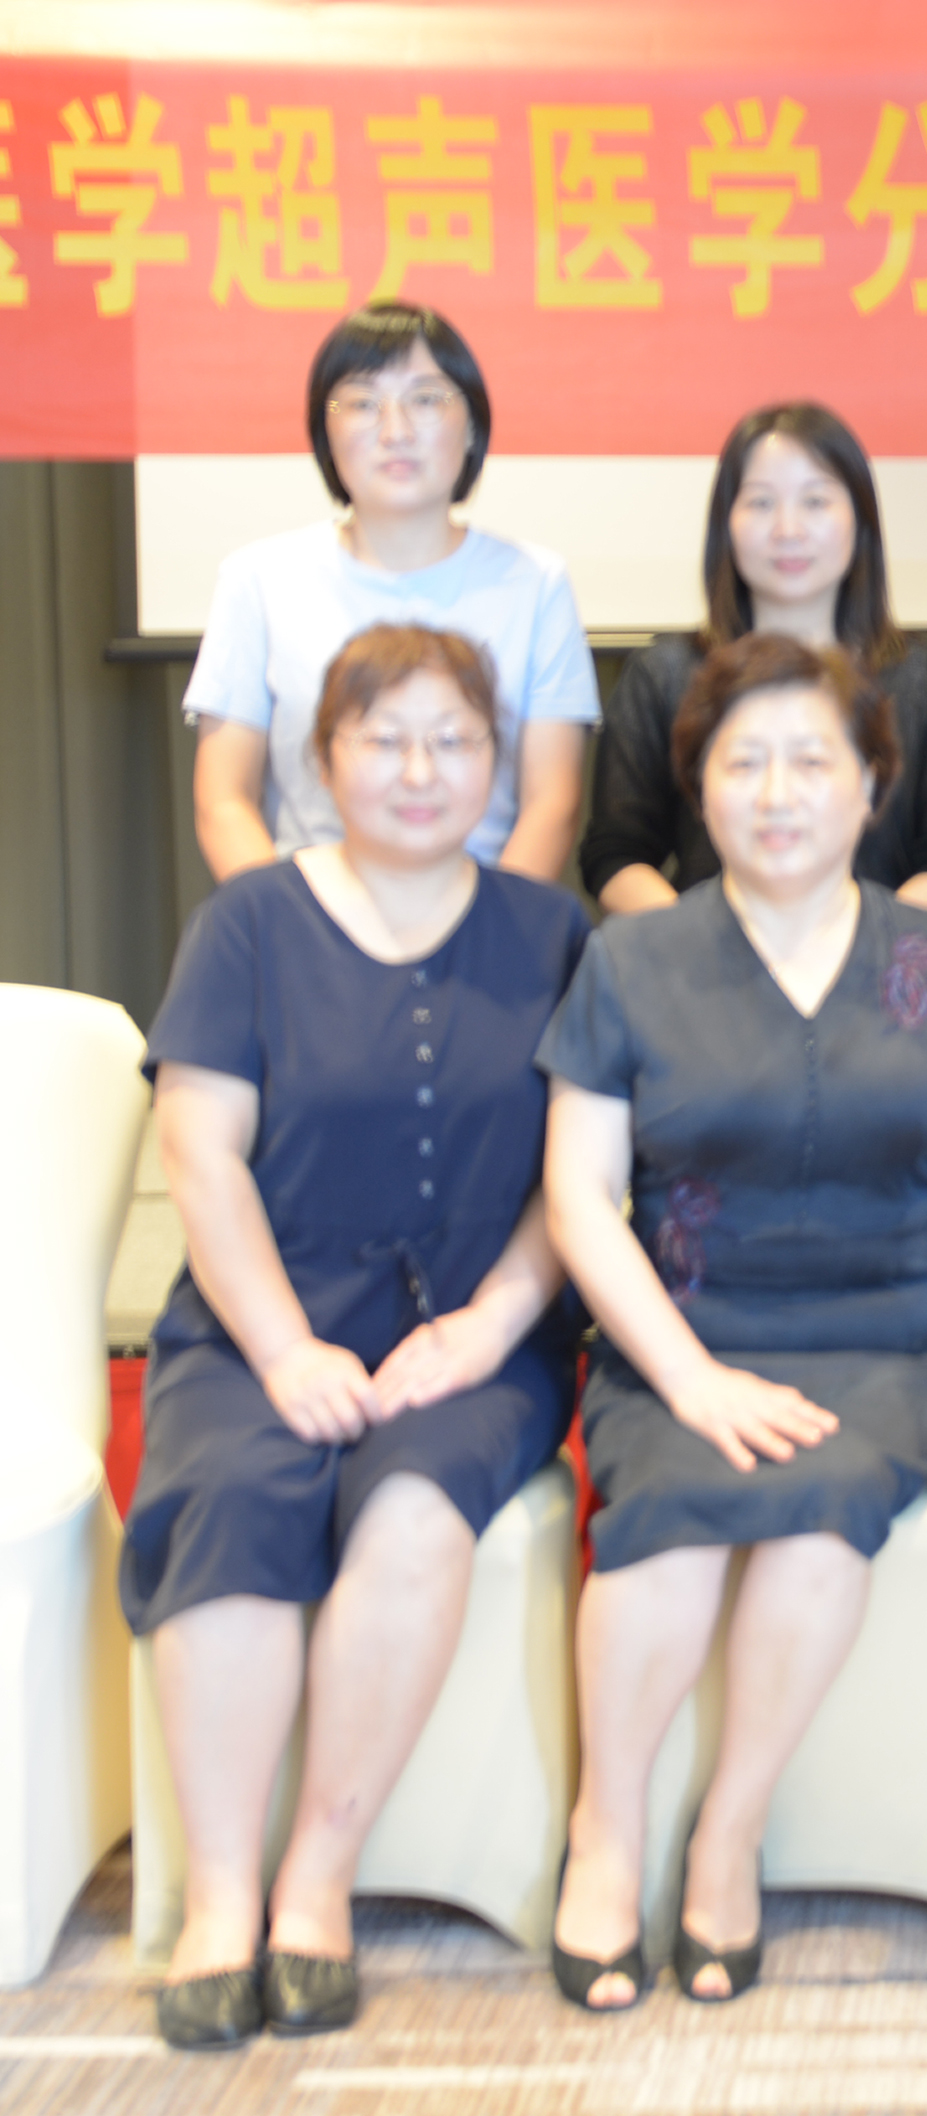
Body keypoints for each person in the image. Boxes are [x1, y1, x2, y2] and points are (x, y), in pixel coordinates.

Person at [540, 632, 927, 2012]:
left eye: (811, 761)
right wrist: (690, 1380)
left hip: (885, 1345)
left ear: (873, 787)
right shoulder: (629, 960)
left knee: (821, 1517)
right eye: (741, 762)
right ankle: (605, 1831)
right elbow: (579, 1199)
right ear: (696, 787)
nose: (775, 793)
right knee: (665, 1528)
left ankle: (728, 1835)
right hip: (679, 1339)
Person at [125, 624, 590, 2051]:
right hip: (259, 1319)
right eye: (383, 738)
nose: (419, 768)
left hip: (476, 1336)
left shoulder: (554, 934)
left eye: (454, 740)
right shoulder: (249, 924)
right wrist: (281, 1351)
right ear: (323, 759)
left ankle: (316, 1885)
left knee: (411, 1509)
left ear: (497, 763)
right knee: (231, 1495)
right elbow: (201, 1156)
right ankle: (220, 1899)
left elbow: (581, 1177)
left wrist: (492, 1325)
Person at [189, 301, 598, 885]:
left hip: (487, 916)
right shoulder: (257, 579)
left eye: (426, 400)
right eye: (361, 403)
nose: (396, 431)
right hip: (307, 915)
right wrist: (287, 921)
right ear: (324, 431)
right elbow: (224, 801)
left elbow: (552, 805)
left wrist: (492, 926)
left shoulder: (536, 584)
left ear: (472, 425)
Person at [579, 401, 927, 918]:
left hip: (879, 959)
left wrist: (866, 943)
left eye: (815, 501)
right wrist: (696, 942)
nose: (788, 528)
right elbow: (616, 854)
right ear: (725, 523)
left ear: (860, 519)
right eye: (761, 502)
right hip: (706, 960)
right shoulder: (664, 676)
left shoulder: (920, 678)